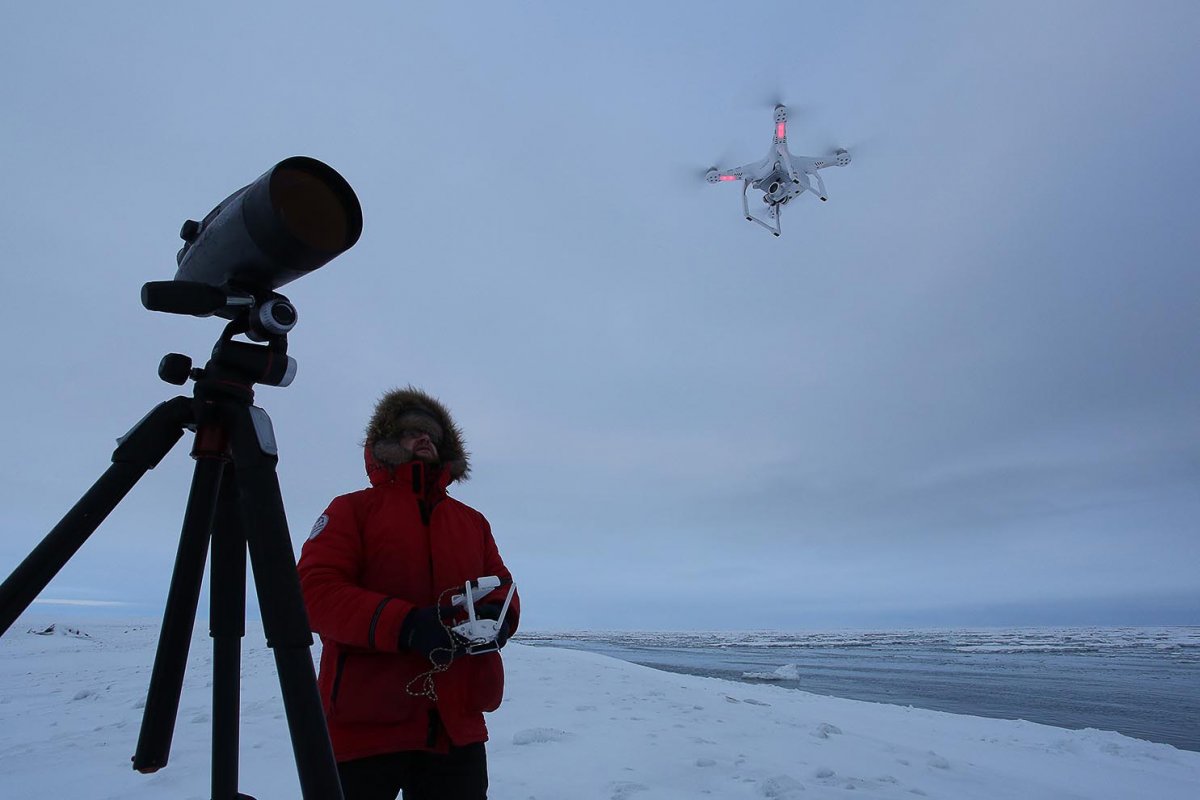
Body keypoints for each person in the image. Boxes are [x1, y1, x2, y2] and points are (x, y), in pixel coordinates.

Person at [298, 386, 519, 800]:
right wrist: (405, 625)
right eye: (412, 432)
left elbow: (502, 584)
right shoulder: (351, 510)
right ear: (386, 444)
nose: (424, 440)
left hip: (457, 720)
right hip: (366, 722)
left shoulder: (472, 522)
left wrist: (499, 616)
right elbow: (314, 591)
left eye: (432, 436)